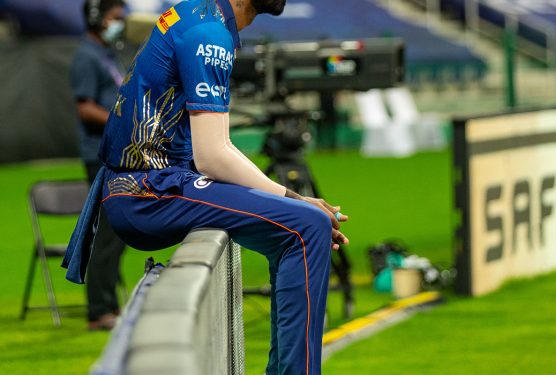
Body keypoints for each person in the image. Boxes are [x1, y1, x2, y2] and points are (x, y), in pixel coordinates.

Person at [66, 0, 348, 374]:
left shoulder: (197, 16)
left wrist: (294, 201)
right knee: (309, 225)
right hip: (148, 192)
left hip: (141, 185)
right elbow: (213, 155)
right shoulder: (209, 35)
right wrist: (298, 200)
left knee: (295, 227)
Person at [69, 0, 127, 331]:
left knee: (116, 233)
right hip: (99, 155)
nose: (120, 23)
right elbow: (85, 108)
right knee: (106, 234)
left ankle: (110, 306)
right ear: (97, 17)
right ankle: (99, 310)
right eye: (115, 17)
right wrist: (123, 121)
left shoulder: (105, 55)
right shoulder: (85, 57)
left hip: (114, 154)